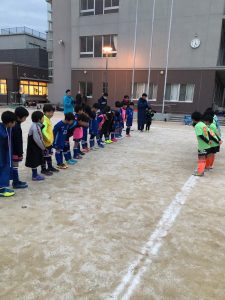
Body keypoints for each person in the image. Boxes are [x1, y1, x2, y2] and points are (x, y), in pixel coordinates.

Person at [25, 111, 46, 181]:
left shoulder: (35, 125)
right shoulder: (36, 127)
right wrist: (44, 147)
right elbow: (38, 139)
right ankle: (34, 176)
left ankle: (35, 174)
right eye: (43, 117)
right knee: (34, 161)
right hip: (34, 147)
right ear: (39, 119)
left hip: (33, 147)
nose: (43, 119)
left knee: (35, 161)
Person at [12, 107, 29, 189]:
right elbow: (17, 141)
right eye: (25, 117)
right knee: (15, 166)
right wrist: (20, 153)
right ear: (19, 117)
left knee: (15, 166)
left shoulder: (15, 124)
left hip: (13, 150)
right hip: (15, 151)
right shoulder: (16, 126)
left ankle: (16, 181)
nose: (25, 119)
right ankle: (15, 182)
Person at [0, 111, 16, 197]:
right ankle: (1, 189)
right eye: (14, 122)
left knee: (4, 169)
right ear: (10, 123)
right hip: (2, 155)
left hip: (5, 154)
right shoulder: (3, 133)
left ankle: (2, 187)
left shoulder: (6, 128)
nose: (15, 123)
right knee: (2, 169)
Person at [191, 111, 211, 176]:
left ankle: (200, 172)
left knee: (201, 158)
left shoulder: (197, 126)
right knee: (203, 158)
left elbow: (200, 136)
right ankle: (201, 170)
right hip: (207, 145)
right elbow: (208, 133)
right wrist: (209, 141)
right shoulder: (203, 124)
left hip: (203, 145)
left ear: (193, 119)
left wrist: (207, 141)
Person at [41, 104, 59, 176]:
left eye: (52, 112)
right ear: (45, 112)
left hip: (49, 143)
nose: (51, 114)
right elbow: (43, 131)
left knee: (48, 155)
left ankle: (50, 167)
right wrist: (48, 139)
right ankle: (43, 169)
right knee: (44, 156)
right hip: (45, 143)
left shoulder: (47, 119)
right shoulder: (44, 120)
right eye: (49, 112)